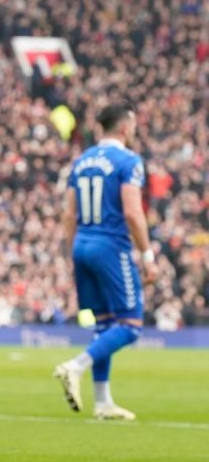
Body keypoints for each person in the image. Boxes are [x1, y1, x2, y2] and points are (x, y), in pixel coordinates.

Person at [54, 103, 158, 420]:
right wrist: (147, 254)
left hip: (82, 244)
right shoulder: (128, 161)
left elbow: (69, 214)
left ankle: (102, 402)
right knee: (130, 326)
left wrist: (74, 252)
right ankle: (75, 366)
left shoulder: (81, 161)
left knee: (104, 325)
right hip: (110, 245)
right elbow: (131, 211)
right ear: (124, 127)